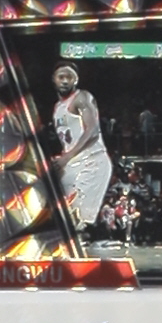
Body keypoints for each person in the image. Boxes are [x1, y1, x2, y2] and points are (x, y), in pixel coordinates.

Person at [50, 60, 113, 230]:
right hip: (72, 165)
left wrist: (67, 157)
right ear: (54, 79)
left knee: (76, 219)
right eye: (61, 77)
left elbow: (92, 130)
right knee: (56, 214)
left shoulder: (82, 97)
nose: (65, 81)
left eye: (69, 77)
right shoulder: (57, 107)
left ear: (76, 80)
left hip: (92, 162)